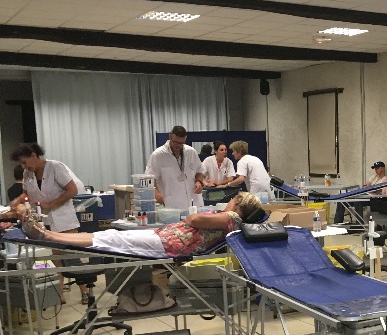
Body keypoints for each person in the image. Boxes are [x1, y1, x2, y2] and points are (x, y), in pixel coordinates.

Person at [19, 192, 263, 259]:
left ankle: (48, 236)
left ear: (238, 203)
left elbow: (194, 220)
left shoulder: (232, 219)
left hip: (170, 245)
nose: (229, 201)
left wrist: (193, 217)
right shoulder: (229, 218)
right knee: (111, 235)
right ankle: (48, 234)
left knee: (112, 239)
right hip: (166, 238)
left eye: (233, 199)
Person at [9, 143, 89, 304]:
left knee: (71, 257)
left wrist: (50, 204)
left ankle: (85, 291)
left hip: (63, 219)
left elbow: (72, 190)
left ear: (33, 155)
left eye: (24, 162)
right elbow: (27, 193)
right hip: (44, 221)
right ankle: (59, 294)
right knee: (55, 259)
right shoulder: (27, 173)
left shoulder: (55, 167)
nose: (23, 166)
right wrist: (17, 201)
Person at [145, 126, 206, 211]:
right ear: (170, 137)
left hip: (194, 203)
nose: (178, 145)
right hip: (172, 205)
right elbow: (150, 178)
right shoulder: (158, 155)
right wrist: (156, 193)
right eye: (175, 142)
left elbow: (200, 171)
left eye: (181, 143)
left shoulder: (191, 152)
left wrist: (199, 182)